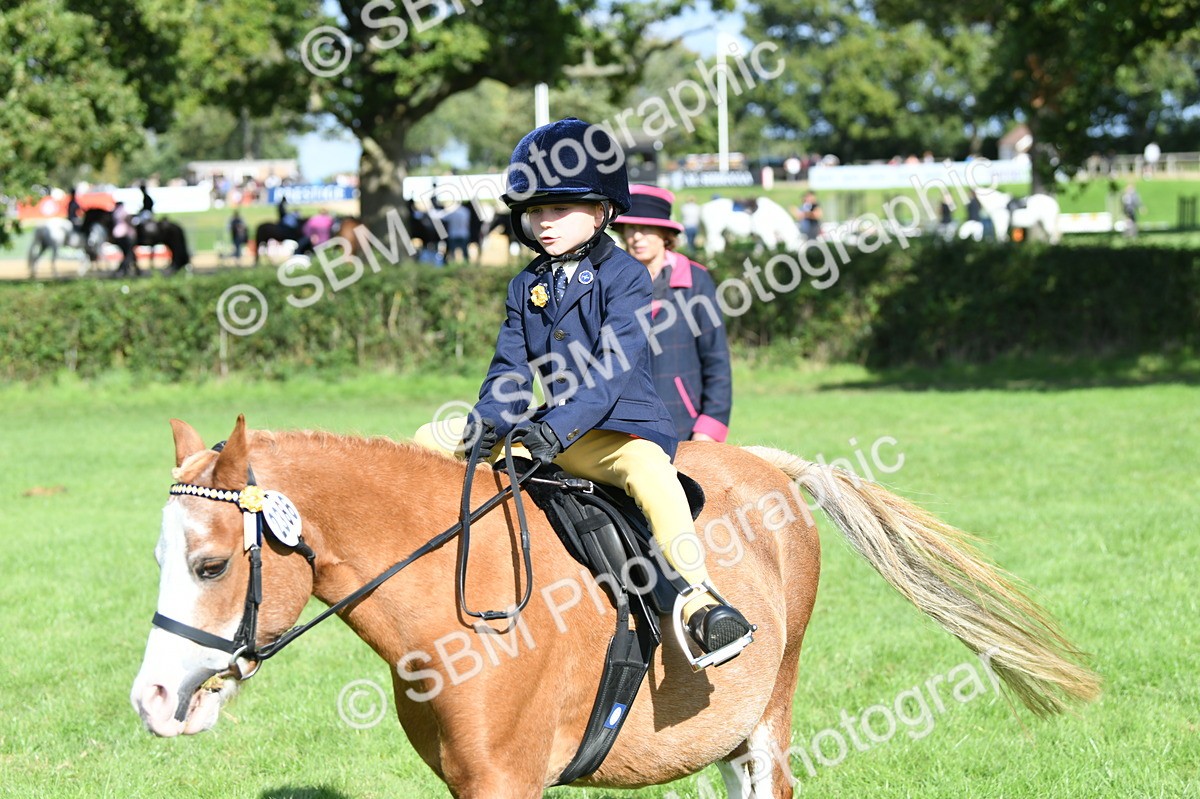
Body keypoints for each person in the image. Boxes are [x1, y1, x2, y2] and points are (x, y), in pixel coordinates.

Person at [413, 118, 754, 666]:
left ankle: (700, 601)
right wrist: (486, 423)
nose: (543, 224)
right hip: (546, 432)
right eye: (535, 211)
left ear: (600, 213)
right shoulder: (526, 284)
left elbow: (610, 371)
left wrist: (553, 428)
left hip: (619, 431)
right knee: (427, 440)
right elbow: (508, 371)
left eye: (558, 210)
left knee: (652, 477)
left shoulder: (626, 276)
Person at [613, 185, 732, 445]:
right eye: (631, 228)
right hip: (626, 429)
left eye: (646, 229)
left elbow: (717, 359)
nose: (636, 237)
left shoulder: (697, 280)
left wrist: (709, 427)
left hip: (687, 427)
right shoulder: (611, 282)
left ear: (665, 233)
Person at [111, 201, 138, 276]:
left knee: (126, 254)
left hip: (117, 234)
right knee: (128, 254)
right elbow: (129, 221)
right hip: (126, 234)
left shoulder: (115, 212)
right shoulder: (124, 212)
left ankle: (124, 269)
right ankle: (122, 269)